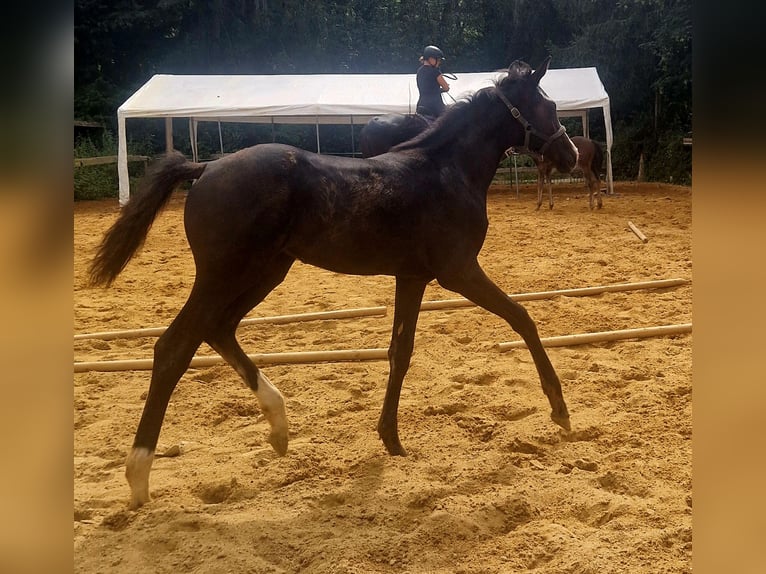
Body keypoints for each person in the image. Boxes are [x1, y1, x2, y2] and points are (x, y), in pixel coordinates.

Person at [415, 45, 450, 120]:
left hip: (421, 104)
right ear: (430, 58)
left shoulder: (419, 71)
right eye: (438, 60)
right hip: (435, 106)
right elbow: (446, 88)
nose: (439, 62)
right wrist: (441, 90)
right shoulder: (435, 72)